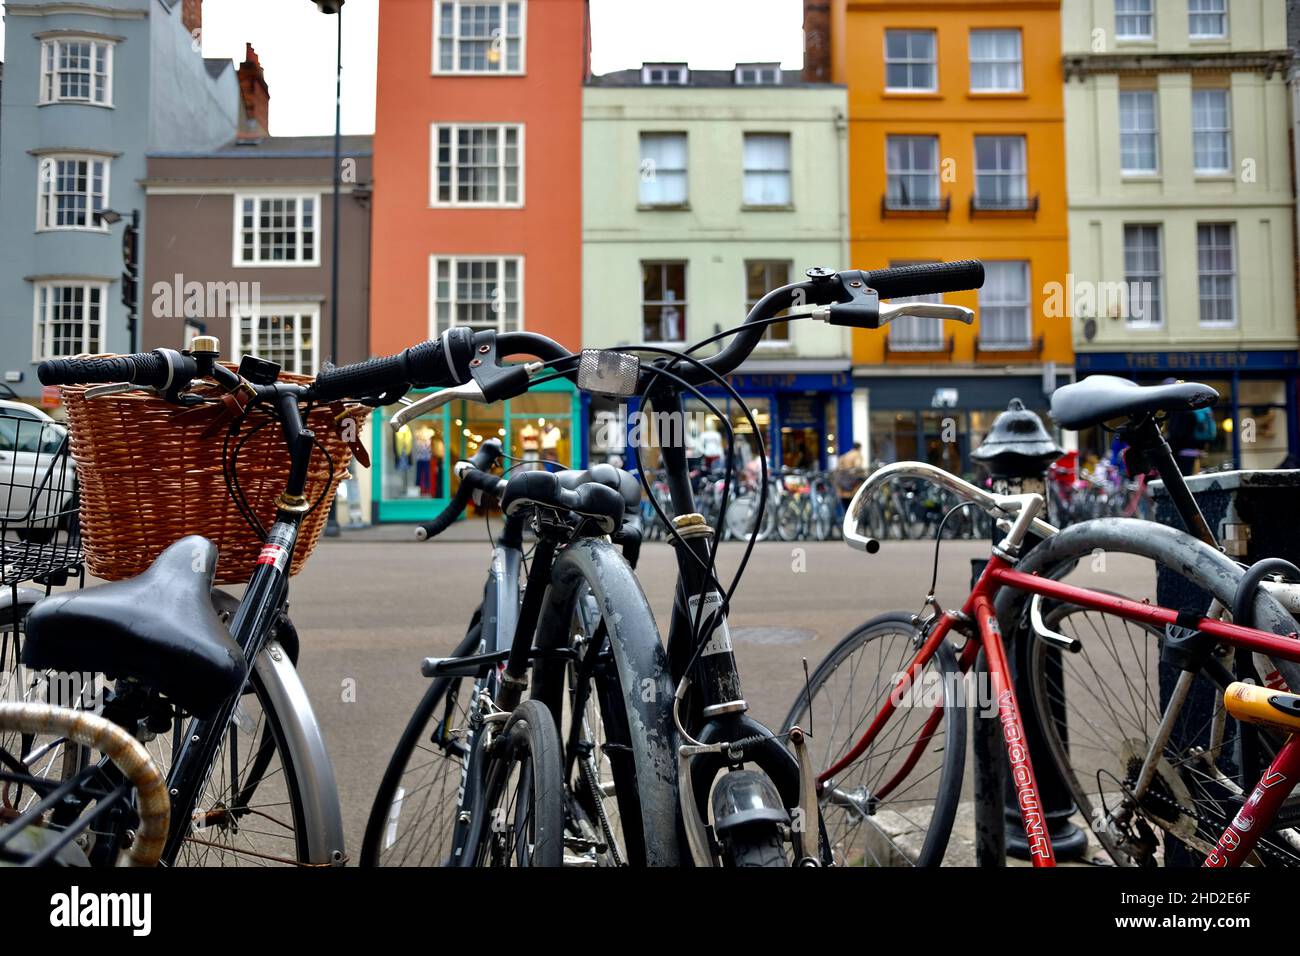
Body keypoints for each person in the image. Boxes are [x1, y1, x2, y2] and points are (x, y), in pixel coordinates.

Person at [834, 441, 866, 511]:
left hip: (843, 488)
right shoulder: (857, 455)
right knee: (854, 508)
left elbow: (838, 469)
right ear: (859, 448)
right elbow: (858, 468)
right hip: (852, 487)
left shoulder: (845, 455)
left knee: (846, 508)